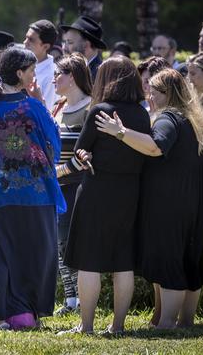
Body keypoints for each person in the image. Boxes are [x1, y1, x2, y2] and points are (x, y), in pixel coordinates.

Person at [95, 68, 203, 329]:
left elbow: (155, 147)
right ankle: (185, 321)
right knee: (189, 262)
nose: (149, 94)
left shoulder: (167, 118)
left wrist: (119, 131)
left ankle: (167, 323)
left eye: (154, 90)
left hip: (169, 204)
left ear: (166, 93)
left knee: (169, 260)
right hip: (194, 203)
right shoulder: (192, 119)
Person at [0, 47, 66, 331]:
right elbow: (54, 147)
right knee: (31, 255)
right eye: (31, 71)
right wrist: (42, 104)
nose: (34, 76)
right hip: (32, 195)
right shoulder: (32, 107)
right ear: (19, 74)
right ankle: (26, 314)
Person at [60, 56, 150, 335]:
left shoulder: (99, 111)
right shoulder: (142, 113)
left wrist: (84, 154)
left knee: (90, 261)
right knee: (123, 263)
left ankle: (86, 325)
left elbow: (80, 150)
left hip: (97, 189)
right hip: (130, 191)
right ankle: (118, 326)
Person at [50, 53, 92, 316]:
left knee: (73, 243)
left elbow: (89, 155)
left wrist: (59, 171)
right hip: (59, 186)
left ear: (73, 77)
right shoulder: (58, 106)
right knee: (59, 243)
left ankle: (82, 298)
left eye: (58, 74)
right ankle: (70, 299)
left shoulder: (91, 109)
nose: (54, 79)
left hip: (79, 186)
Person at [24, 19, 58, 108]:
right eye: (26, 38)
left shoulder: (51, 76)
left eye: (31, 40)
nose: (25, 42)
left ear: (45, 46)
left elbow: (48, 112)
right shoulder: (24, 66)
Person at [61, 16, 107, 80]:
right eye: (64, 42)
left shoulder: (101, 75)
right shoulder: (67, 69)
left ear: (86, 45)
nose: (64, 48)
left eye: (70, 42)